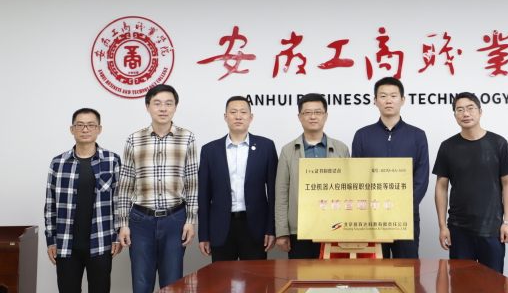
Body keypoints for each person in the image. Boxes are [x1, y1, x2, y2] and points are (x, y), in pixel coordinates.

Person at [116, 84, 198, 293]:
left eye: (168, 103)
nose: (163, 108)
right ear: (148, 107)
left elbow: (192, 183)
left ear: (175, 107)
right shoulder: (134, 139)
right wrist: (123, 224)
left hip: (175, 219)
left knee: (172, 283)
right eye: (157, 103)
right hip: (140, 221)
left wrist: (190, 220)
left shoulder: (187, 137)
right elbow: (125, 185)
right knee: (141, 283)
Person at [433, 92, 508, 273]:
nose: (465, 114)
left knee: (492, 283)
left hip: (492, 229)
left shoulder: (498, 143)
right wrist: (443, 226)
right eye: (460, 110)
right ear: (455, 115)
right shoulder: (448, 146)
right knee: (461, 283)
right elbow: (441, 187)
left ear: (480, 111)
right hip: (458, 229)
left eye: (470, 108)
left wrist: (507, 222)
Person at [44, 108, 122, 293]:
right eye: (80, 125)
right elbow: (50, 205)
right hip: (66, 244)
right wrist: (51, 240)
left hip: (101, 241)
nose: (85, 129)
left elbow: (119, 202)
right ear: (72, 129)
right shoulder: (58, 163)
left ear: (99, 129)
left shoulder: (112, 160)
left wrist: (116, 236)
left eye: (90, 125)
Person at [352, 77, 429, 259]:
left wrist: (401, 207)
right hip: (371, 218)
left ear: (402, 100)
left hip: (406, 217)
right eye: (383, 96)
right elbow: (356, 178)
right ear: (375, 100)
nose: (388, 100)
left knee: (407, 270)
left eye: (393, 96)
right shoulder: (362, 135)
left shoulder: (417, 135)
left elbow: (421, 178)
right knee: (375, 270)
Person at [198, 96, 278, 261]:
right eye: (233, 112)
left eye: (243, 112)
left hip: (255, 227)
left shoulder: (266, 147)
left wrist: (271, 229)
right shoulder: (210, 150)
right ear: (225, 116)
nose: (238, 116)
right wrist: (203, 234)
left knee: (255, 277)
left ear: (251, 117)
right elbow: (203, 196)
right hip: (221, 227)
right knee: (222, 277)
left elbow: (274, 192)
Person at [275, 93, 350, 259]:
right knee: (301, 274)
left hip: (334, 227)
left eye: (318, 112)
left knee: (333, 273)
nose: (313, 117)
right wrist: (282, 232)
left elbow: (348, 191)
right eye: (307, 112)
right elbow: (281, 194)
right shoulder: (288, 151)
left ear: (326, 116)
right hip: (299, 230)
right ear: (299, 117)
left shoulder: (341, 149)